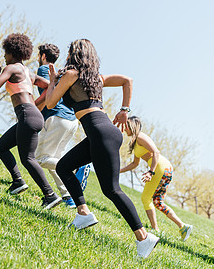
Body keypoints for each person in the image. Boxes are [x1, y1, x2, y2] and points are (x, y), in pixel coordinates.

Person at [45, 39, 159, 258]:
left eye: (70, 51)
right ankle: (83, 213)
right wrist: (124, 109)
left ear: (74, 53)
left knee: (112, 189)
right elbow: (128, 80)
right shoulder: (96, 78)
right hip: (103, 132)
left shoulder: (72, 75)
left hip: (100, 132)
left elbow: (50, 103)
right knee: (64, 167)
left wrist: (52, 82)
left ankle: (144, 238)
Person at [0, 33, 62, 210]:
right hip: (31, 116)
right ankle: (17, 182)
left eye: (5, 53)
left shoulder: (12, 68)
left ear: (12, 52)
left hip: (27, 115)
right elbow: (49, 85)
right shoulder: (28, 73)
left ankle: (50, 195)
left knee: (28, 158)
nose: (4, 57)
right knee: (1, 147)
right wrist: (39, 103)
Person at [34, 43, 91, 208]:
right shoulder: (62, 73)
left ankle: (77, 168)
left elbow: (47, 93)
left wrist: (32, 105)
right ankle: (69, 197)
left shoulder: (44, 69)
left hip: (57, 119)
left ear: (43, 56)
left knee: (39, 158)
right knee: (55, 160)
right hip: (71, 121)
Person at [120, 116, 193, 241]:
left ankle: (155, 229)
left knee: (145, 198)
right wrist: (118, 171)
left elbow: (156, 152)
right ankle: (183, 226)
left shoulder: (141, 137)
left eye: (126, 125)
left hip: (160, 167)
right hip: (165, 168)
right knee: (157, 202)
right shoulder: (135, 141)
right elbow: (135, 164)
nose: (124, 128)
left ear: (132, 125)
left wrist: (151, 172)